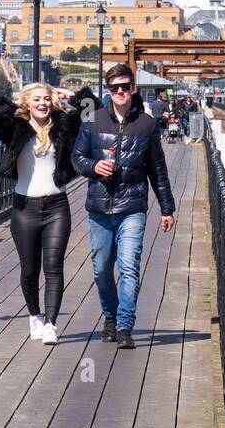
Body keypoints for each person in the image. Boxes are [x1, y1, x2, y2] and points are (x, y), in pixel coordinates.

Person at [0, 82, 96, 344]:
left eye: (46, 98)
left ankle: (51, 324)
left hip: (57, 206)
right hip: (24, 209)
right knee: (29, 270)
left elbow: (90, 112)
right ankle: (35, 315)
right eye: (36, 99)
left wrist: (72, 95)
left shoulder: (63, 127)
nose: (43, 103)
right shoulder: (15, 129)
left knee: (54, 267)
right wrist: (14, 99)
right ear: (27, 103)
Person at [72, 64, 176, 349]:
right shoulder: (91, 120)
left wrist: (166, 208)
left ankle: (124, 325)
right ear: (108, 90)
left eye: (125, 86)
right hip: (99, 208)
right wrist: (94, 166)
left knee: (129, 267)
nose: (120, 91)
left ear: (133, 88)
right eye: (115, 87)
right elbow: (76, 158)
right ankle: (110, 315)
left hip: (132, 206)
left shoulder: (147, 124)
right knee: (102, 268)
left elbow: (158, 170)